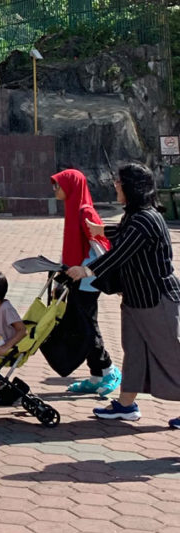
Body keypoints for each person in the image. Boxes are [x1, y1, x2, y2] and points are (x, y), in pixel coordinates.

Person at [76, 163, 180, 426]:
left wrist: (87, 270)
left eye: (119, 182)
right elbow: (125, 234)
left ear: (132, 187)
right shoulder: (135, 217)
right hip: (135, 299)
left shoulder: (145, 218)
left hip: (156, 300)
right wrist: (103, 231)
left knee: (171, 354)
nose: (116, 186)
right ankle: (125, 405)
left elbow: (121, 252)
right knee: (134, 353)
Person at [51, 168, 120, 396]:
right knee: (81, 326)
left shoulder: (84, 210)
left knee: (87, 326)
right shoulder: (73, 208)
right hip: (74, 280)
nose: (55, 189)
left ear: (71, 186)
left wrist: (91, 272)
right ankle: (96, 375)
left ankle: (109, 370)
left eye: (58, 185)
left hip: (88, 281)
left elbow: (101, 247)